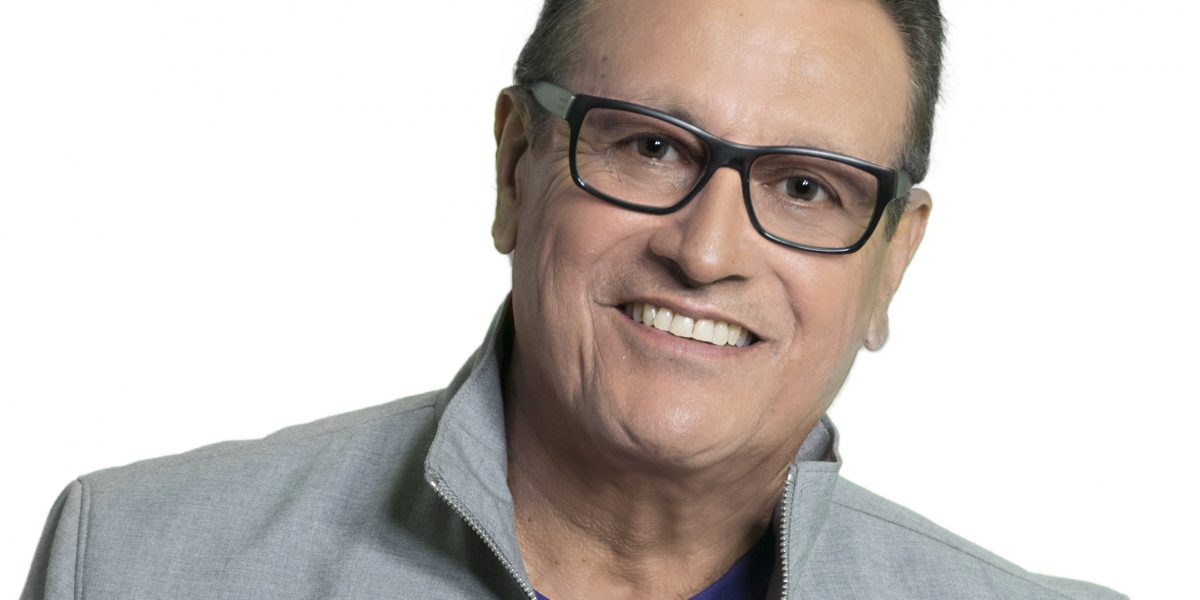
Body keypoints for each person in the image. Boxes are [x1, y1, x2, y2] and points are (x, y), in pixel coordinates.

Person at [20, 0, 1126, 598]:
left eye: (805, 186)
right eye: (649, 146)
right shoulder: (130, 564)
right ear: (516, 166)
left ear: (893, 262)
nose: (706, 252)